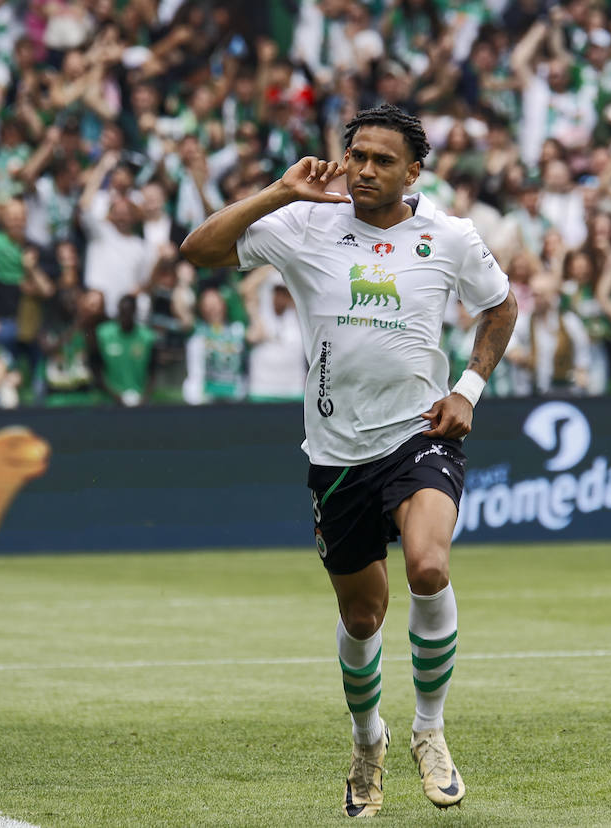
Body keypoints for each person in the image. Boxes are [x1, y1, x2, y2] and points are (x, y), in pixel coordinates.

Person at [180, 103, 516, 817]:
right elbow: (199, 251)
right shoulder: (307, 223)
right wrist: (278, 191)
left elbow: (501, 306)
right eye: (357, 154)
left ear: (413, 171)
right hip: (335, 454)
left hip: (419, 434)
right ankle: (369, 741)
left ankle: (431, 731)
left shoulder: (451, 236)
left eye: (382, 159)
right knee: (363, 617)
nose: (365, 168)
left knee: (428, 565)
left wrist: (469, 388)